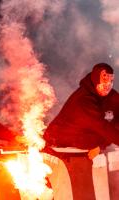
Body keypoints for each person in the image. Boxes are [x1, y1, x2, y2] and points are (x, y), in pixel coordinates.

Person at [43, 63, 119, 200]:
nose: (108, 85)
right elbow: (103, 127)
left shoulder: (111, 97)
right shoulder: (83, 100)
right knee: (66, 193)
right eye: (104, 80)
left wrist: (101, 145)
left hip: (84, 150)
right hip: (60, 151)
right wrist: (103, 143)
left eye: (111, 81)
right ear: (96, 79)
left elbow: (114, 123)